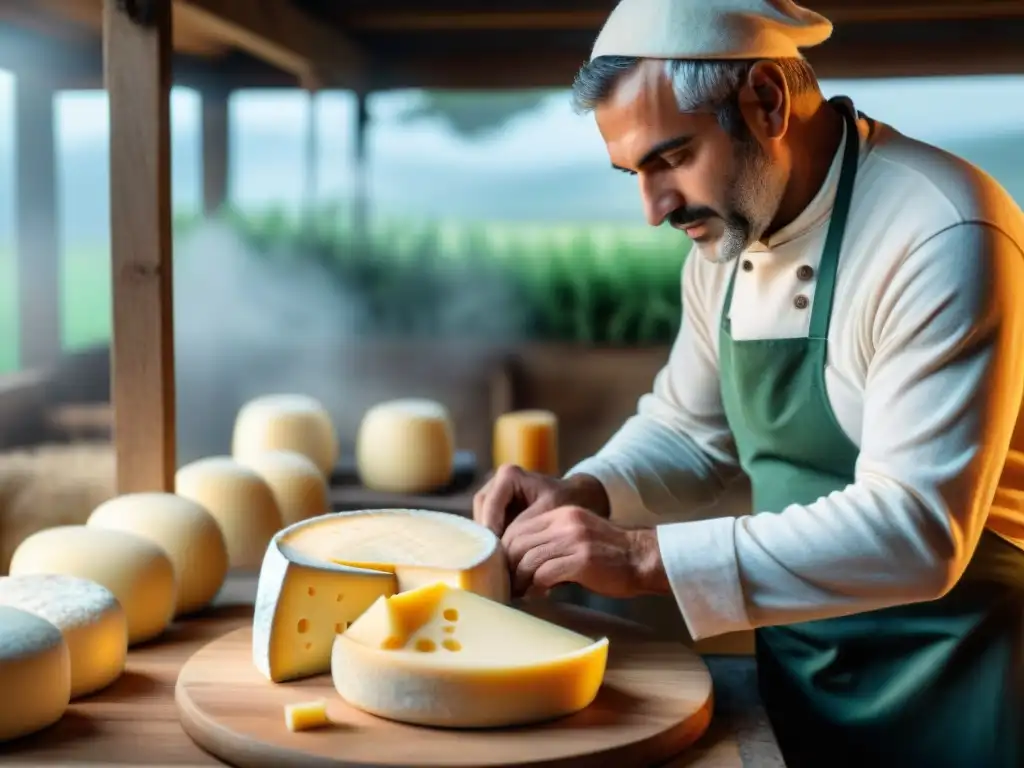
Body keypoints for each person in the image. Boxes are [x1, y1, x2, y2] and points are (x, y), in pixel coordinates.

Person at [473, 0, 1024, 765]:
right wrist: (587, 491)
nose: (653, 208)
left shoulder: (941, 230)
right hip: (801, 671)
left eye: (669, 158)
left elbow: (917, 532)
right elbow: (687, 432)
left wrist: (641, 559)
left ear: (765, 100)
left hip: (962, 679)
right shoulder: (729, 240)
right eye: (633, 172)